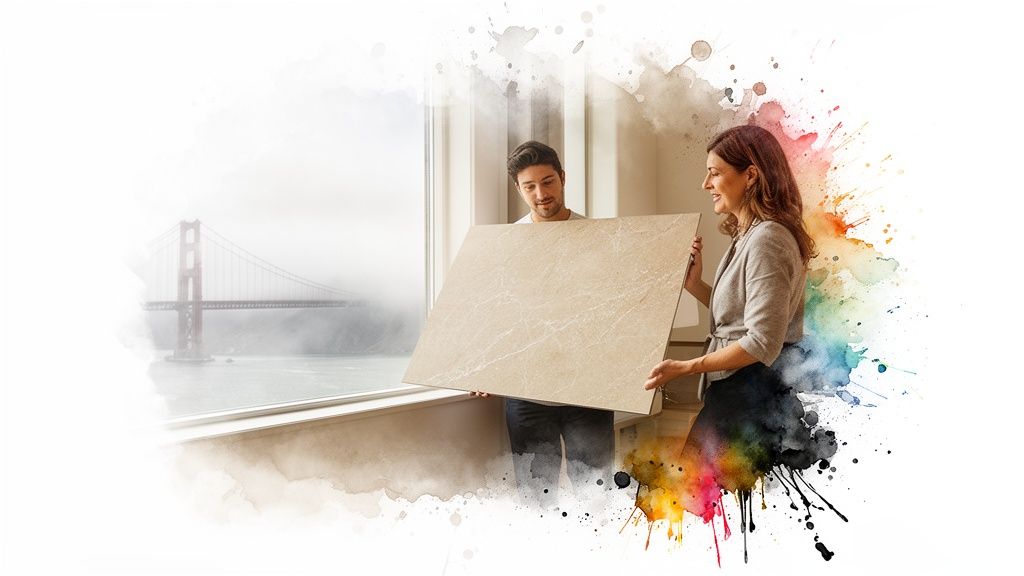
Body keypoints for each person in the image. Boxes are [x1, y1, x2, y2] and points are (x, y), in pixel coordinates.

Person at [641, 124, 830, 521]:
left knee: (692, 510)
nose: (705, 182)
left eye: (714, 171)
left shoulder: (767, 239)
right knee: (699, 509)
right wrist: (695, 286)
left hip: (750, 393)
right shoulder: (749, 235)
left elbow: (761, 342)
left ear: (750, 175)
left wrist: (688, 365)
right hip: (736, 389)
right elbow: (743, 317)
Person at [472, 140, 615, 507]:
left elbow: (617, 310)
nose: (541, 194)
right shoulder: (506, 244)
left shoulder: (601, 240)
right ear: (517, 189)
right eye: (530, 186)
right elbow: (491, 313)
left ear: (563, 178)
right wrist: (481, 367)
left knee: (594, 495)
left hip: (589, 390)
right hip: (527, 395)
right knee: (536, 498)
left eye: (548, 182)